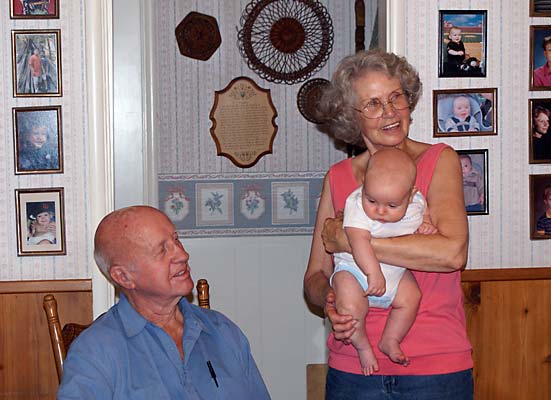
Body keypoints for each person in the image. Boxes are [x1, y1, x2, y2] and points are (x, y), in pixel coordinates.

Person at [304, 49, 472, 399]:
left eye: (396, 97)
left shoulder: (439, 161)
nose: (390, 112)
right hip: (352, 367)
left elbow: (451, 253)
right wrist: (332, 300)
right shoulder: (337, 178)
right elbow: (314, 278)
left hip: (434, 365)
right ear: (351, 118)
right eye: (373, 104)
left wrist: (352, 242)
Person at [58, 206, 271, 399]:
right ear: (124, 277)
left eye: (176, 240)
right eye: (162, 250)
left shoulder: (222, 331)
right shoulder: (95, 352)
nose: (183, 254)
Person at [331, 148, 437, 375]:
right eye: (372, 199)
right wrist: (372, 273)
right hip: (355, 269)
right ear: (364, 186)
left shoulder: (415, 201)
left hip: (395, 273)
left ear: (410, 195)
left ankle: (390, 339)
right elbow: (358, 240)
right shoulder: (357, 204)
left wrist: (425, 222)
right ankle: (363, 346)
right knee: (350, 308)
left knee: (411, 297)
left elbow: (423, 209)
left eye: (391, 206)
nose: (379, 210)